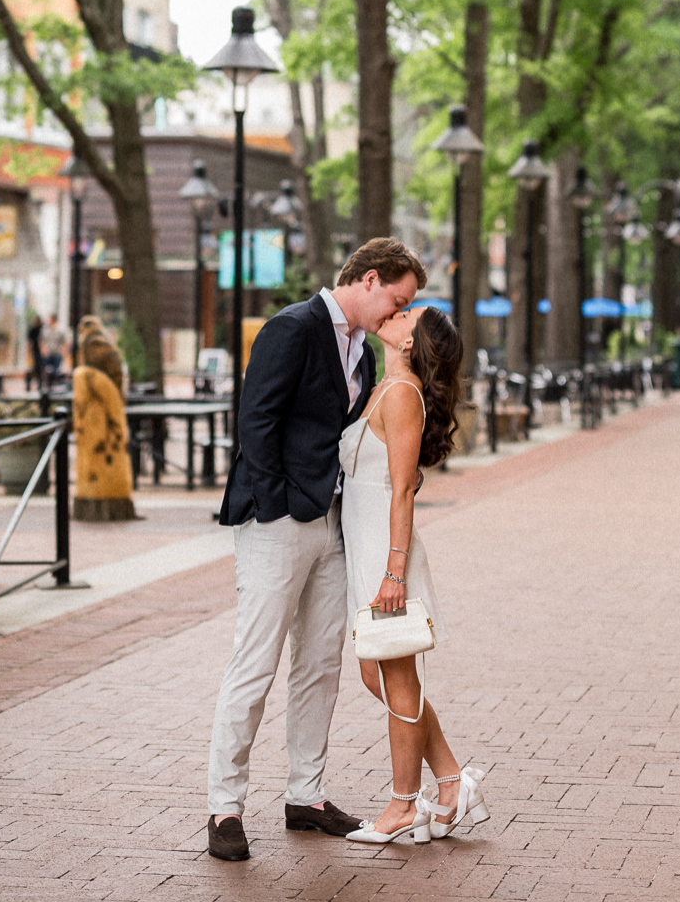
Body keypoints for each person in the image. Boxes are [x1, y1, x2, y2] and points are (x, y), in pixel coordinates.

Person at [205, 237, 427, 862]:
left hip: (331, 528)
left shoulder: (360, 349)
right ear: (370, 279)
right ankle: (225, 805)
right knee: (256, 662)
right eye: (399, 300)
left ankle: (306, 793)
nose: (399, 314)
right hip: (278, 522)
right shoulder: (293, 327)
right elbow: (256, 423)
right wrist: (278, 504)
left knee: (320, 665)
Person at [340, 305, 490, 844]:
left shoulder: (402, 396)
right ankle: (451, 781)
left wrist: (394, 572)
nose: (394, 312)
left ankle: (405, 803)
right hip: (366, 549)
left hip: (387, 554)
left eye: (407, 313)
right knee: (374, 675)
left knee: (398, 679)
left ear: (409, 343)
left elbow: (401, 490)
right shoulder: (386, 388)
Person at [40, 314, 68, 381]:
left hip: (57, 353)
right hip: (48, 353)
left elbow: (64, 343)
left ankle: (54, 384)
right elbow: (42, 341)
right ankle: (47, 384)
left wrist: (63, 352)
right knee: (47, 370)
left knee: (56, 371)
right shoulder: (45, 331)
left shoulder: (60, 331)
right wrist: (43, 350)